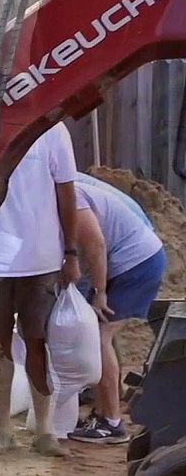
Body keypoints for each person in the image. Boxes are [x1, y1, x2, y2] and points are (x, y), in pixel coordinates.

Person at [0, 121, 81, 457]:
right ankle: (2, 429)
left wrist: (71, 253)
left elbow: (67, 194)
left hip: (40, 259)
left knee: (38, 343)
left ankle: (45, 430)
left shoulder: (53, 130)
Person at [68, 180, 167, 445]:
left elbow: (96, 244)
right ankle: (102, 413)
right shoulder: (66, 185)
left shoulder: (70, 194)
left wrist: (99, 292)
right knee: (96, 333)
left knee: (100, 337)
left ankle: (112, 423)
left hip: (137, 263)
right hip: (131, 255)